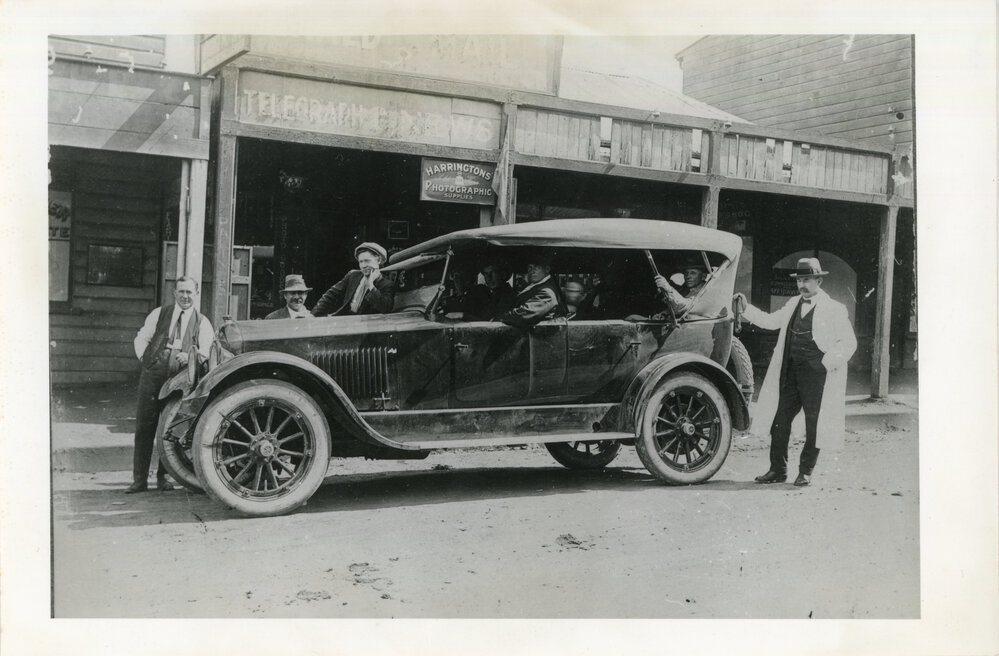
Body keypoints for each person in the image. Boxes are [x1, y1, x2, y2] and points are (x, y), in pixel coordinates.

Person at [733, 257, 857, 487]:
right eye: (800, 279)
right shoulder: (792, 304)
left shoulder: (834, 308)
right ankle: (777, 470)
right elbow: (770, 321)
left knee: (814, 424)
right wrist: (746, 308)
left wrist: (825, 363)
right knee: (779, 421)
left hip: (817, 376)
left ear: (819, 280)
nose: (803, 285)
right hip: (790, 374)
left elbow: (848, 343)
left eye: (807, 279)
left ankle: (806, 471)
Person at [127, 276, 214, 493]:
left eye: (189, 292)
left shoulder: (202, 321)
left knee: (171, 427)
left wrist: (191, 357)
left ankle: (163, 478)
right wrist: (146, 361)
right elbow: (141, 338)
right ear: (174, 293)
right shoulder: (159, 314)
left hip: (181, 377)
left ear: (196, 294)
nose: (185, 296)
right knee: (144, 425)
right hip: (154, 373)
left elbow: (206, 351)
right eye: (181, 292)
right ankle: (139, 480)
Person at [312, 242, 396, 317]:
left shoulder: (387, 284)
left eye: (367, 261)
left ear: (378, 260)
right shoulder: (353, 275)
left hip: (368, 325)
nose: (363, 266)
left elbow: (385, 308)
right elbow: (331, 295)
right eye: (361, 262)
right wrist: (314, 315)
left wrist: (371, 285)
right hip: (346, 319)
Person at [495, 252, 566, 327]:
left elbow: (523, 314)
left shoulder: (547, 291)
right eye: (530, 267)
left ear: (547, 269)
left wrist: (500, 318)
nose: (532, 271)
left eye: (537, 267)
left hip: (536, 336)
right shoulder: (535, 286)